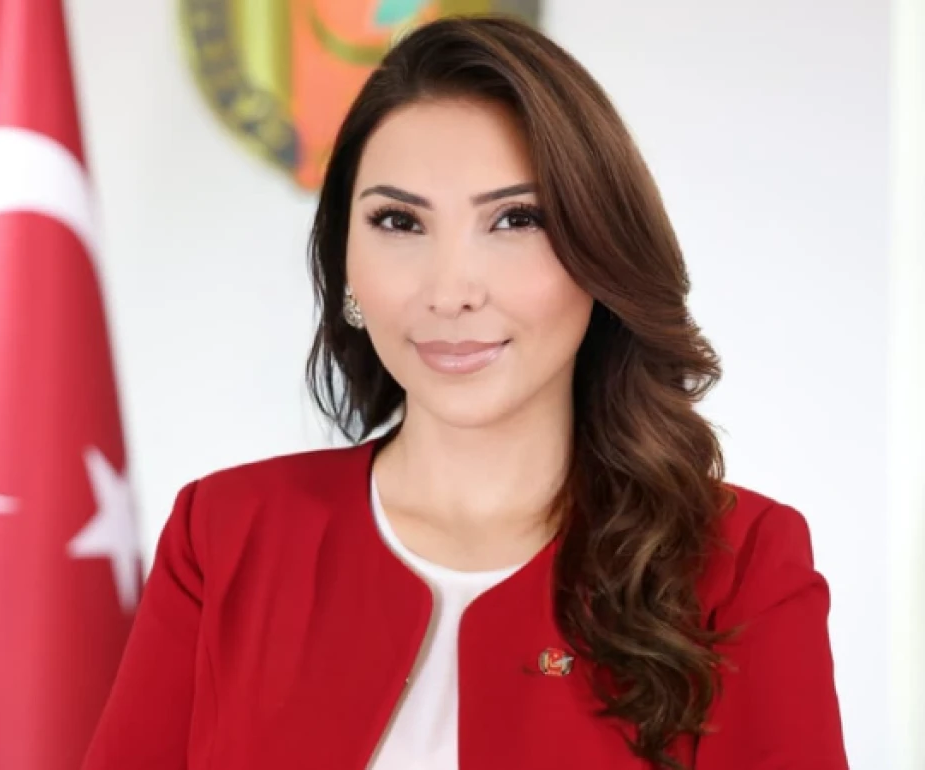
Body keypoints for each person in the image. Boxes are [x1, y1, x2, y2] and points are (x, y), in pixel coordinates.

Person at [82, 14, 848, 770]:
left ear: (602, 253)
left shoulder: (741, 563)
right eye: (398, 221)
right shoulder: (223, 535)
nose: (450, 292)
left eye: (515, 219)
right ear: (344, 263)